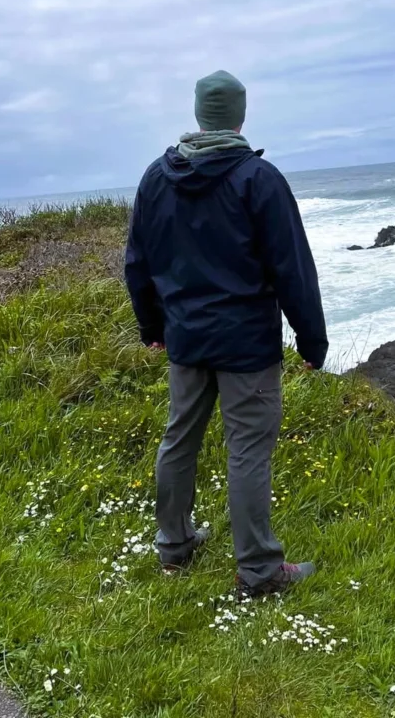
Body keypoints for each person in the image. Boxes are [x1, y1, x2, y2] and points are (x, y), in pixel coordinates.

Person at [124, 70, 328, 598]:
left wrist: (152, 326)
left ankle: (174, 546)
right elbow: (293, 268)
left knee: (179, 439)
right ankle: (259, 571)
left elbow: (138, 263)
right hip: (246, 346)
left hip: (186, 339)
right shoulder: (258, 178)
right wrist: (312, 341)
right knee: (247, 453)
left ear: (198, 114)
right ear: (239, 115)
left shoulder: (155, 177)